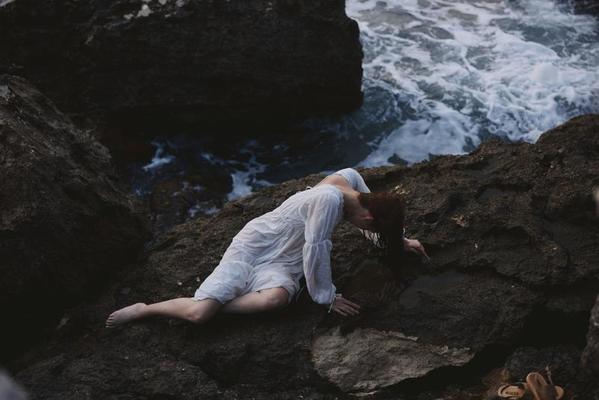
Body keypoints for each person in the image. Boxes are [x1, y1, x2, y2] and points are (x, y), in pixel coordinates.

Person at [105, 167, 428, 327]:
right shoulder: (328, 199)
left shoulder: (351, 179)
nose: (362, 228)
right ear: (368, 215)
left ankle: (219, 302)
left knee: (275, 300)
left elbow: (370, 226)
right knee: (198, 314)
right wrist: (327, 297)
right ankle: (146, 309)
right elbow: (315, 249)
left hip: (284, 258)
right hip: (256, 247)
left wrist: (398, 241)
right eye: (368, 225)